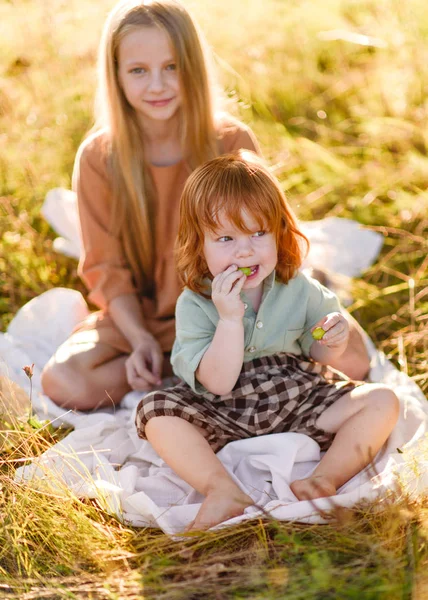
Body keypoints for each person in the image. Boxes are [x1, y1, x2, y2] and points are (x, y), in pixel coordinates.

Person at [41, 0, 369, 410]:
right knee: (65, 383)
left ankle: (209, 362)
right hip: (149, 316)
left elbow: (268, 228)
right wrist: (140, 337)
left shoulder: (231, 141)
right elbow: (106, 268)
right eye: (138, 70)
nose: (157, 85)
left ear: (192, 67)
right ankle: (187, 362)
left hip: (237, 305)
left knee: (354, 360)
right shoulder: (99, 157)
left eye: (172, 66)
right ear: (117, 76)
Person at [135, 151, 399, 531]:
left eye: (258, 233)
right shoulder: (195, 303)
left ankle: (325, 477)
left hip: (296, 397)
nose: (245, 250)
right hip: (222, 408)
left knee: (381, 400)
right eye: (225, 238)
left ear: (279, 233)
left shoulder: (302, 289)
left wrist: (333, 340)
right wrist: (229, 319)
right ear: (200, 245)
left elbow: (319, 353)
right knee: (155, 411)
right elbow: (217, 383)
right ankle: (222, 489)